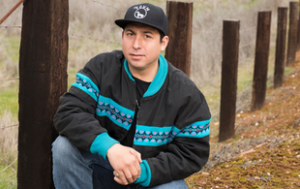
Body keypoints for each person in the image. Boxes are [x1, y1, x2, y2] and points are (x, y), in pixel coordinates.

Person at [52, 3, 211, 189]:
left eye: (147, 36)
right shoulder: (101, 67)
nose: (136, 44)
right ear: (122, 36)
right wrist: (110, 147)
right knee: (64, 147)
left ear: (163, 43)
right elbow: (69, 111)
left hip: (151, 179)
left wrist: (142, 172)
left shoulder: (187, 95)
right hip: (105, 168)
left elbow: (192, 152)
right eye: (130, 34)